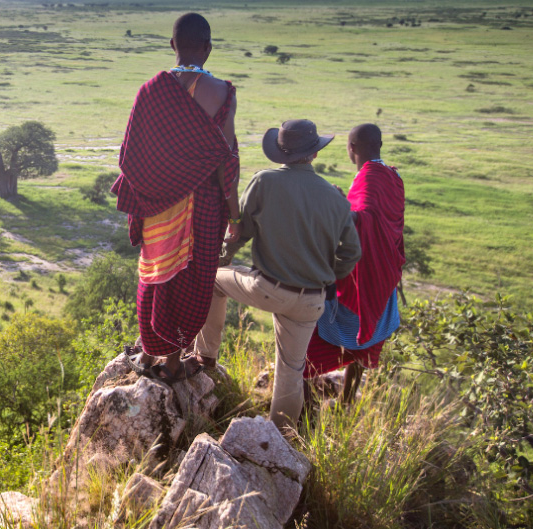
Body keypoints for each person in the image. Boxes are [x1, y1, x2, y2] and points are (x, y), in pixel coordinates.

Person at [185, 119, 362, 431]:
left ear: (280, 153)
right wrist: (327, 277)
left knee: (213, 280)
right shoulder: (335, 198)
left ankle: (205, 357)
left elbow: (240, 234)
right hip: (310, 301)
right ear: (315, 154)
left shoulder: (265, 181)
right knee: (291, 372)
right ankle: (279, 441)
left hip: (269, 288)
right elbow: (352, 252)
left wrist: (218, 259)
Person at [114, 12, 241, 382]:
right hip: (203, 204)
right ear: (208, 47)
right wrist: (234, 216)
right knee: (192, 279)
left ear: (172, 45)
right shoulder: (223, 93)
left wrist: (152, 192)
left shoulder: (150, 90)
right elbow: (226, 162)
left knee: (156, 275)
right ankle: (173, 360)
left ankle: (152, 355)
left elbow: (130, 157)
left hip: (157, 205)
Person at [304, 124, 405, 402]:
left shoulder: (370, 177)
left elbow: (362, 219)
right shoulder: (392, 176)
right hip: (383, 274)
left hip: (363, 276)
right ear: (380, 144)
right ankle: (346, 400)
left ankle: (306, 406)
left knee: (310, 340)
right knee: (365, 344)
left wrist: (338, 203)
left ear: (352, 148)